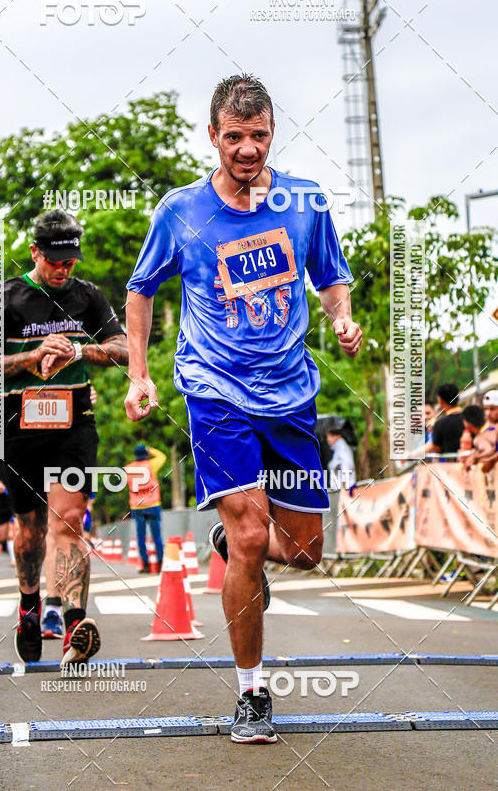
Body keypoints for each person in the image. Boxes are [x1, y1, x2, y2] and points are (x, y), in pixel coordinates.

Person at [124, 74, 361, 743]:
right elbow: (141, 291)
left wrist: (342, 318)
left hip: (290, 393)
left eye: (258, 135)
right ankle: (252, 692)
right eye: (234, 137)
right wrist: (139, 374)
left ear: (272, 133)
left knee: (306, 550)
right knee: (255, 537)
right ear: (213, 136)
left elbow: (331, 278)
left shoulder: (304, 202)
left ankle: (232, 545)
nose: (247, 149)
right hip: (214, 389)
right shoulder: (181, 211)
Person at [0, 209, 128, 664]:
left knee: (69, 521)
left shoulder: (87, 296)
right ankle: (29, 606)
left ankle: (74, 626)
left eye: (70, 262)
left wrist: (80, 351)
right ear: (35, 252)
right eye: (55, 261)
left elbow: (125, 349)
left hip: (73, 423)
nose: (63, 270)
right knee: (30, 528)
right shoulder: (4, 298)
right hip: (18, 426)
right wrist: (30, 358)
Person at [125, 444, 165, 573]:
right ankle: (160, 564)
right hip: (153, 505)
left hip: (137, 507)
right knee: (156, 536)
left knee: (141, 537)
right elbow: (162, 456)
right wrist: (150, 450)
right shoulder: (151, 465)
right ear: (145, 454)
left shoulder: (128, 468)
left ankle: (146, 565)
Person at [428, 383, 464, 456]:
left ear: (440, 401)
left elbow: (437, 449)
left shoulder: (439, 424)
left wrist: (433, 432)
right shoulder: (469, 417)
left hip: (448, 461)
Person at [461, 404, 498, 471]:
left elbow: (489, 450)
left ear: (468, 423)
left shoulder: (480, 438)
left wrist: (475, 457)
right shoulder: (493, 427)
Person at [326, 420, 356, 493]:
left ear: (338, 436)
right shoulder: (337, 449)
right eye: (327, 437)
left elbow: (346, 465)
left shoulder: (342, 448)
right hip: (340, 490)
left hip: (344, 491)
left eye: (330, 436)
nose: (328, 439)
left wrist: (344, 488)